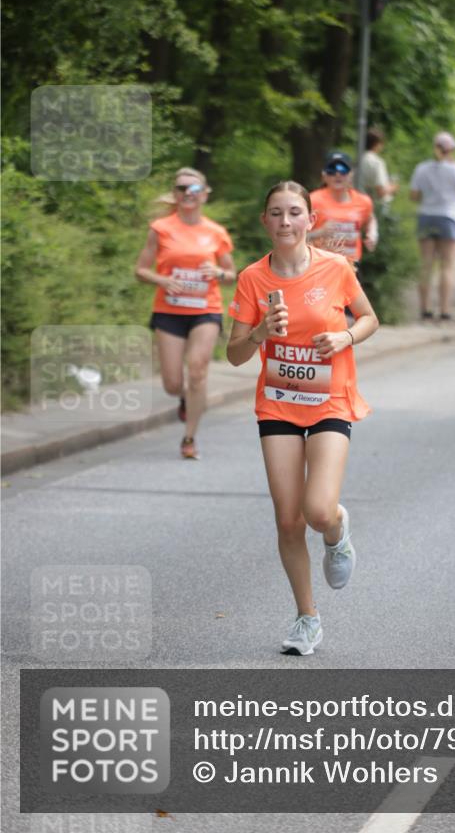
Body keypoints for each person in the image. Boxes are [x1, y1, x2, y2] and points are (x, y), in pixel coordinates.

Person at [226, 181, 379, 656]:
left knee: (317, 511)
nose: (286, 222)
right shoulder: (253, 279)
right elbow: (233, 355)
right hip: (278, 404)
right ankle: (306, 618)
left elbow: (370, 317)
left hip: (330, 400)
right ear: (265, 222)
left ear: (311, 220)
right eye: (276, 213)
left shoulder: (335, 269)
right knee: (289, 521)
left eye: (295, 212)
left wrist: (346, 339)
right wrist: (257, 332)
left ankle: (336, 532)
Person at [135, 168, 236, 459]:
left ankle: (189, 438)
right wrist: (162, 280)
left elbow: (231, 275)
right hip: (169, 310)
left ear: (204, 194)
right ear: (175, 194)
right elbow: (140, 270)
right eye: (181, 189)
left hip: (205, 309)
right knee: (172, 382)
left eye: (194, 190)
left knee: (197, 370)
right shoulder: (161, 228)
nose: (187, 194)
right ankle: (183, 398)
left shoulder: (215, 232)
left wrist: (218, 271)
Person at [409, 131, 455, 320]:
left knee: (426, 265)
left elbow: (414, 196)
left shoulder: (421, 168)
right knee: (447, 266)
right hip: (449, 217)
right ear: (451, 149)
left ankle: (424, 309)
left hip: (426, 216)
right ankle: (445, 310)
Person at [308, 152, 378, 266]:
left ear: (351, 174)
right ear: (324, 175)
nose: (337, 174)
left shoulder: (363, 201)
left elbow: (370, 218)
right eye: (332, 170)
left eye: (343, 170)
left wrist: (373, 233)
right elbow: (298, 237)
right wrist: (320, 233)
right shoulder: (312, 200)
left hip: (352, 266)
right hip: (321, 266)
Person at [359, 127, 399, 207]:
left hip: (358, 203)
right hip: (374, 206)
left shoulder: (358, 160)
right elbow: (381, 192)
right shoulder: (377, 162)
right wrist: (393, 188)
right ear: (377, 143)